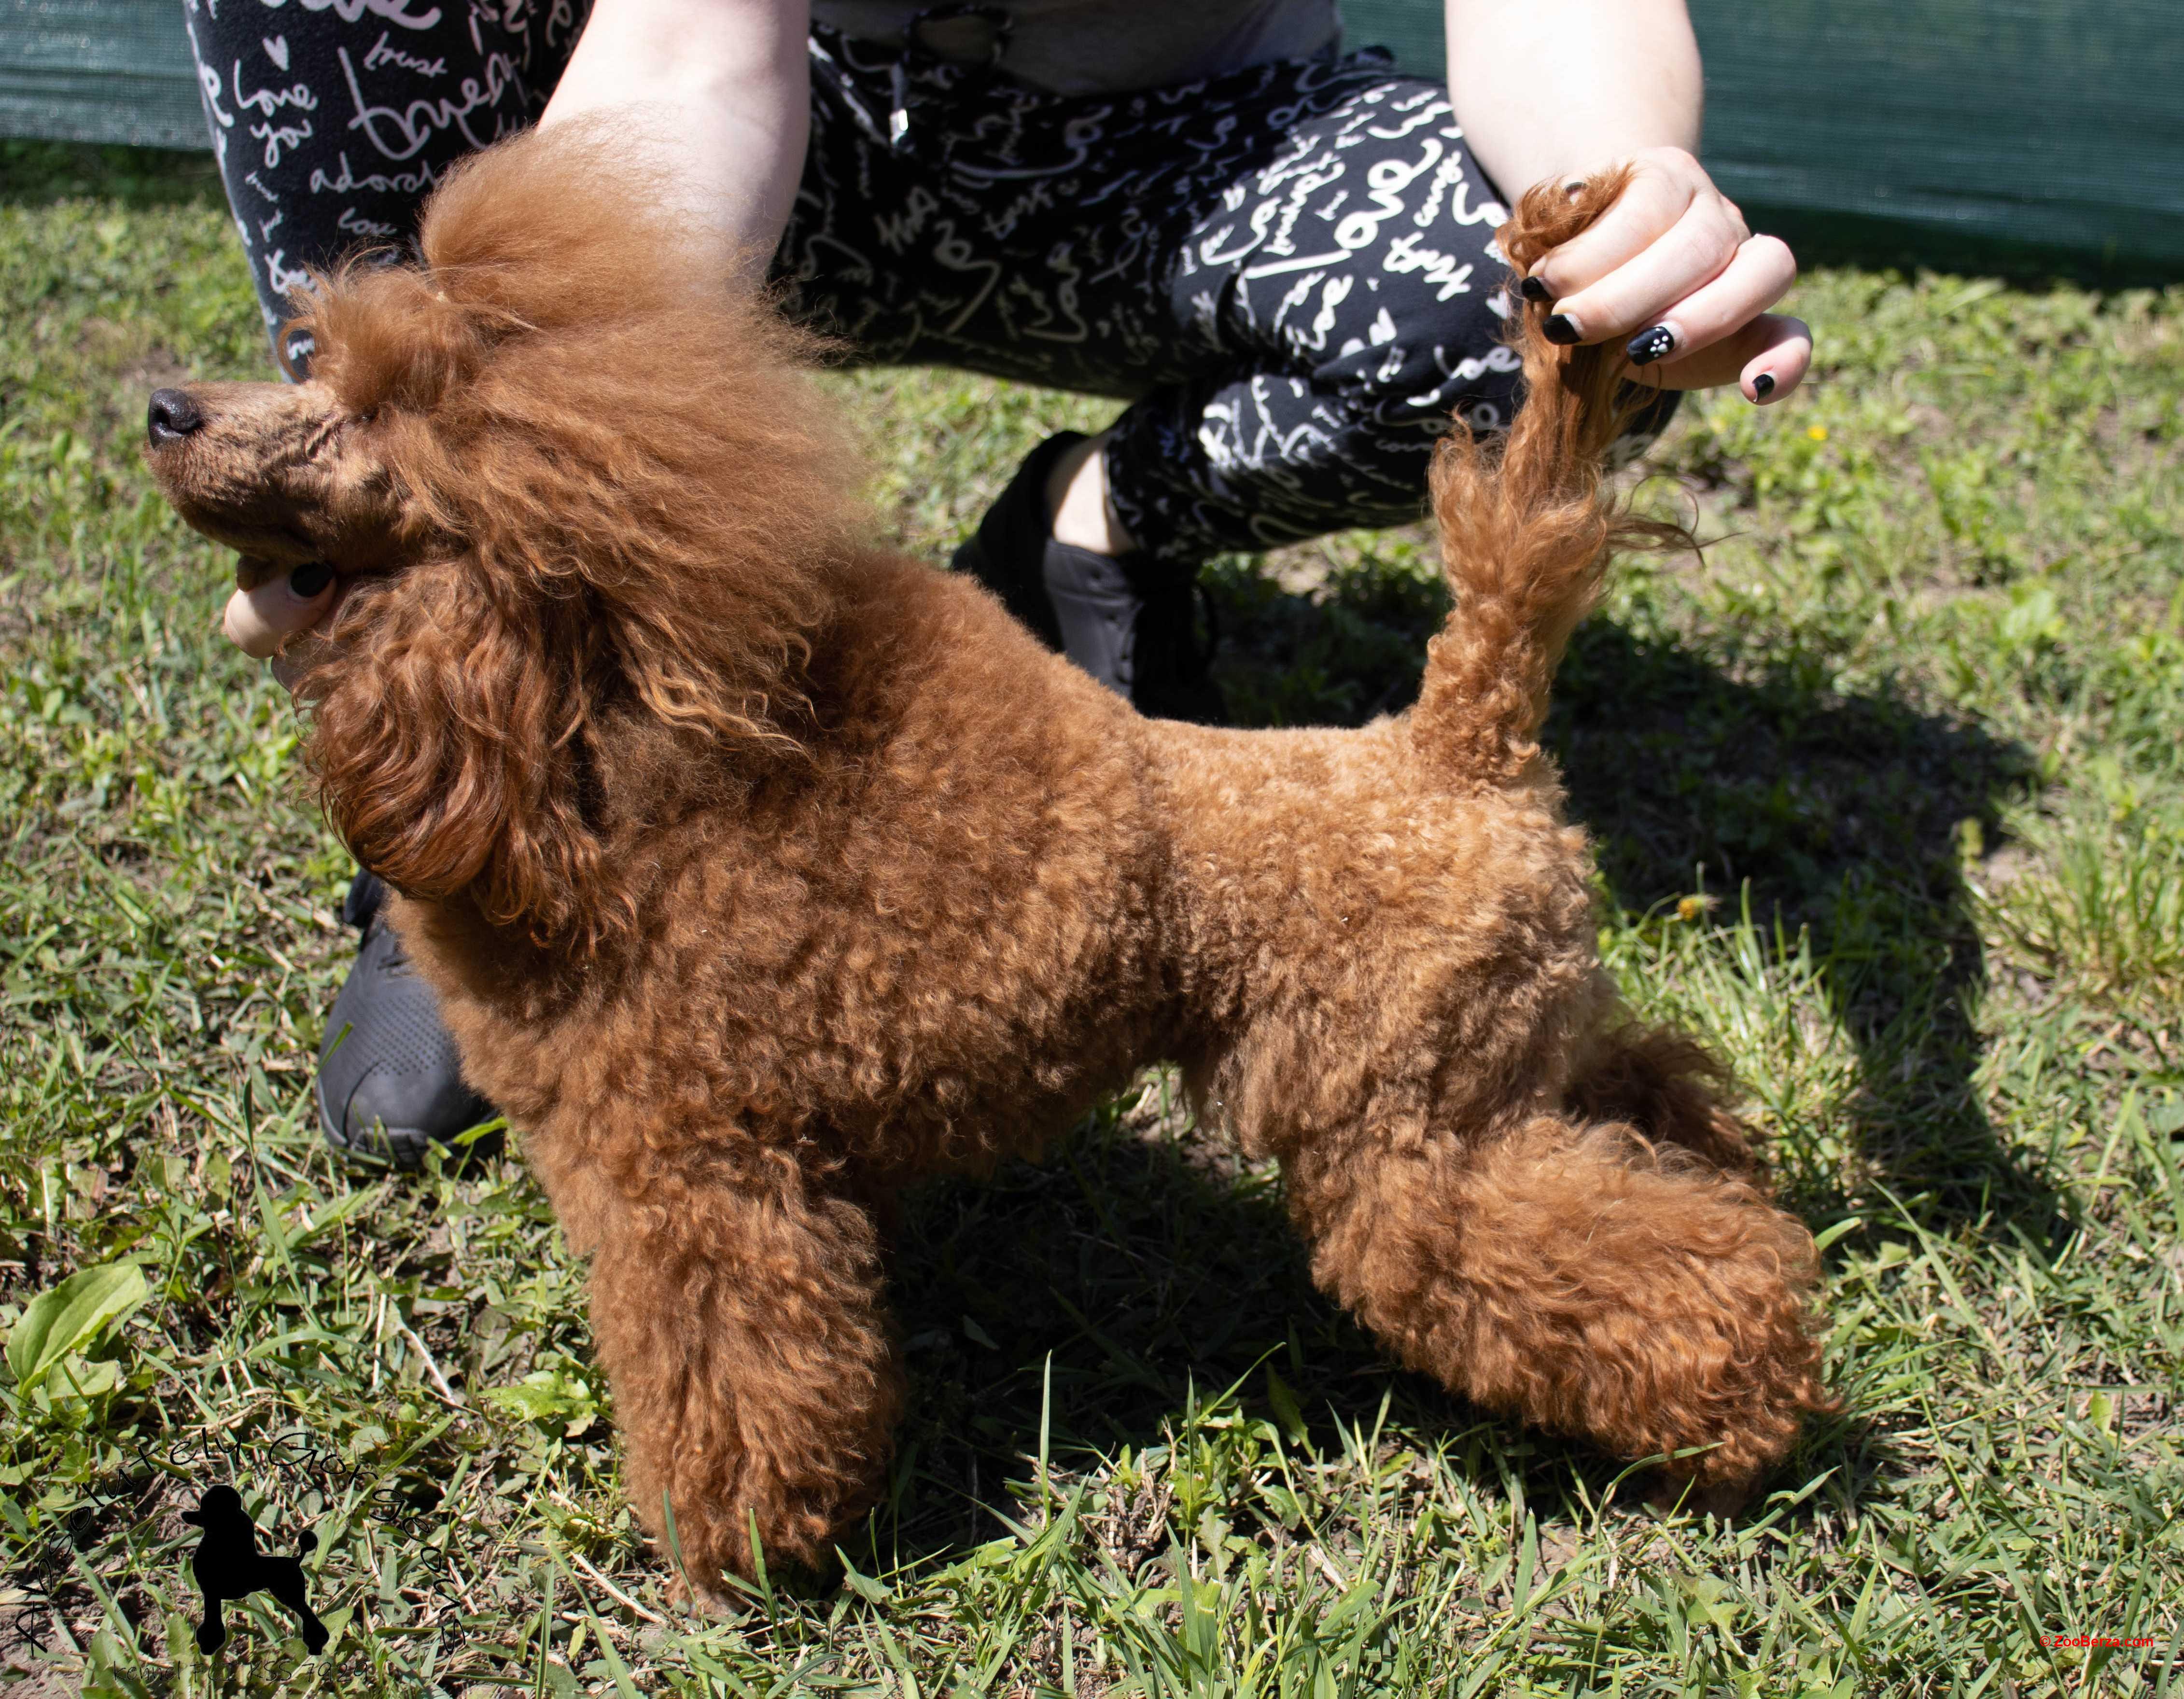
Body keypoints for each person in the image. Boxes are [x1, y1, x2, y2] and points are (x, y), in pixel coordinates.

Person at [182, 0, 1811, 1162]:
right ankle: (495, 766)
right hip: (766, 126)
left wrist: (1625, 189)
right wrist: (533, 464)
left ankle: (1099, 522)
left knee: (1507, 301)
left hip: (1170, 159)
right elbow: (689, 56)